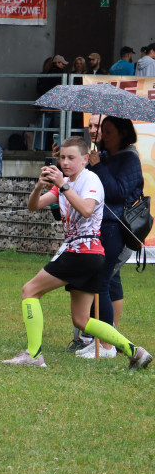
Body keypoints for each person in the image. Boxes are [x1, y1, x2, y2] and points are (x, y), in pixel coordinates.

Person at [2, 136, 152, 369]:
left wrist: (63, 185)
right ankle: (136, 352)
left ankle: (33, 355)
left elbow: (86, 209)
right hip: (88, 254)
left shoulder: (90, 179)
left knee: (29, 291)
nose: (65, 162)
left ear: (85, 159)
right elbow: (34, 206)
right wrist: (39, 186)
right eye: (62, 157)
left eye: (71, 158)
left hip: (82, 251)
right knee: (82, 319)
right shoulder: (65, 182)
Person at [75, 116, 145, 359]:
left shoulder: (129, 158)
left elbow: (118, 193)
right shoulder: (106, 157)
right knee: (106, 283)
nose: (103, 134)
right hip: (101, 226)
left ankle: (106, 346)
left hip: (115, 228)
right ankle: (101, 338)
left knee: (100, 284)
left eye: (109, 131)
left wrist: (98, 166)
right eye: (101, 130)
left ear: (123, 134)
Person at [35, 54, 68, 150]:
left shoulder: (45, 74)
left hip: (46, 103)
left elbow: (40, 89)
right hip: (57, 104)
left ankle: (38, 147)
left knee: (43, 128)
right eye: (62, 64)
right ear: (57, 63)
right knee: (57, 129)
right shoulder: (62, 76)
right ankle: (57, 147)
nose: (64, 66)